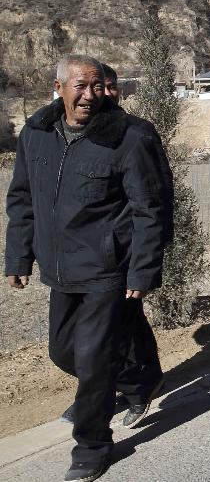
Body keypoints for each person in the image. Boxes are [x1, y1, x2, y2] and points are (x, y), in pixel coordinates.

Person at [5, 55, 173, 482]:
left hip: (107, 268)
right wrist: (19, 257)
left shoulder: (129, 136)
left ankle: (92, 445)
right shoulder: (37, 133)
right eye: (80, 86)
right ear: (58, 87)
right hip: (60, 269)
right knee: (63, 352)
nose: (89, 95)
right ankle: (138, 381)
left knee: (94, 361)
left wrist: (142, 270)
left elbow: (150, 209)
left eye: (97, 86)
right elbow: (22, 198)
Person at [57, 64, 168, 428]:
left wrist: (150, 252)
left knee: (119, 327)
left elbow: (158, 194)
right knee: (115, 329)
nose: (103, 93)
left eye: (109, 86)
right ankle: (121, 384)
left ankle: (126, 388)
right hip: (93, 254)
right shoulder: (79, 131)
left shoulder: (137, 132)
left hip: (127, 249)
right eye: (97, 86)